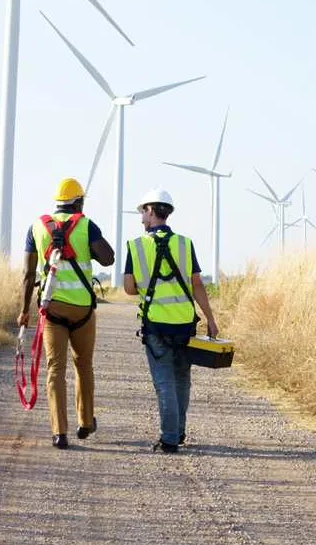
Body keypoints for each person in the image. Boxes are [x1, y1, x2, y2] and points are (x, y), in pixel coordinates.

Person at [19, 177, 116, 450]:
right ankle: (85, 422)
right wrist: (87, 246)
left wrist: (24, 312)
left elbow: (27, 274)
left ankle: (59, 433)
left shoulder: (37, 228)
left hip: (52, 309)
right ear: (79, 202)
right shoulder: (86, 225)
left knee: (55, 369)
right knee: (83, 365)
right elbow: (108, 258)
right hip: (82, 309)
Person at [122, 189, 220, 454]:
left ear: (151, 211)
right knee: (181, 379)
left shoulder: (136, 246)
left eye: (143, 211)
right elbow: (197, 284)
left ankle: (169, 439)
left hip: (156, 324)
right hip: (185, 323)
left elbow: (129, 288)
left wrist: (149, 287)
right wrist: (211, 319)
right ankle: (178, 431)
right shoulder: (185, 244)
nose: (141, 217)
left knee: (164, 381)